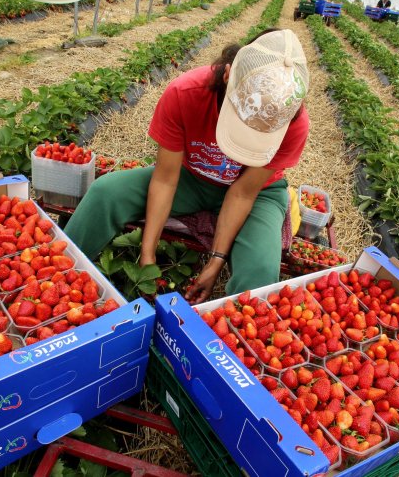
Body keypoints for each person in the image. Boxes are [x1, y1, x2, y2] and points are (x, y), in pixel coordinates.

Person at [64, 29, 310, 304]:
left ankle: (229, 340)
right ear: (228, 75)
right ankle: (61, 276)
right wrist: (147, 254)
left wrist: (216, 261)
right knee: (105, 193)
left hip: (257, 193)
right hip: (192, 177)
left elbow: (243, 193)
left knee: (260, 271)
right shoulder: (186, 93)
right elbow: (166, 179)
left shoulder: (295, 123)